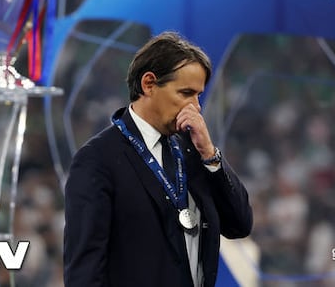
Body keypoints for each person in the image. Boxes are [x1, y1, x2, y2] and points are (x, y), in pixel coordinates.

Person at [64, 31, 253, 287]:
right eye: (186, 93)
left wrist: (210, 154)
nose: (196, 107)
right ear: (149, 84)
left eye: (198, 95)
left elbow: (240, 225)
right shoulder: (97, 159)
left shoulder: (194, 150)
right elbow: (85, 273)